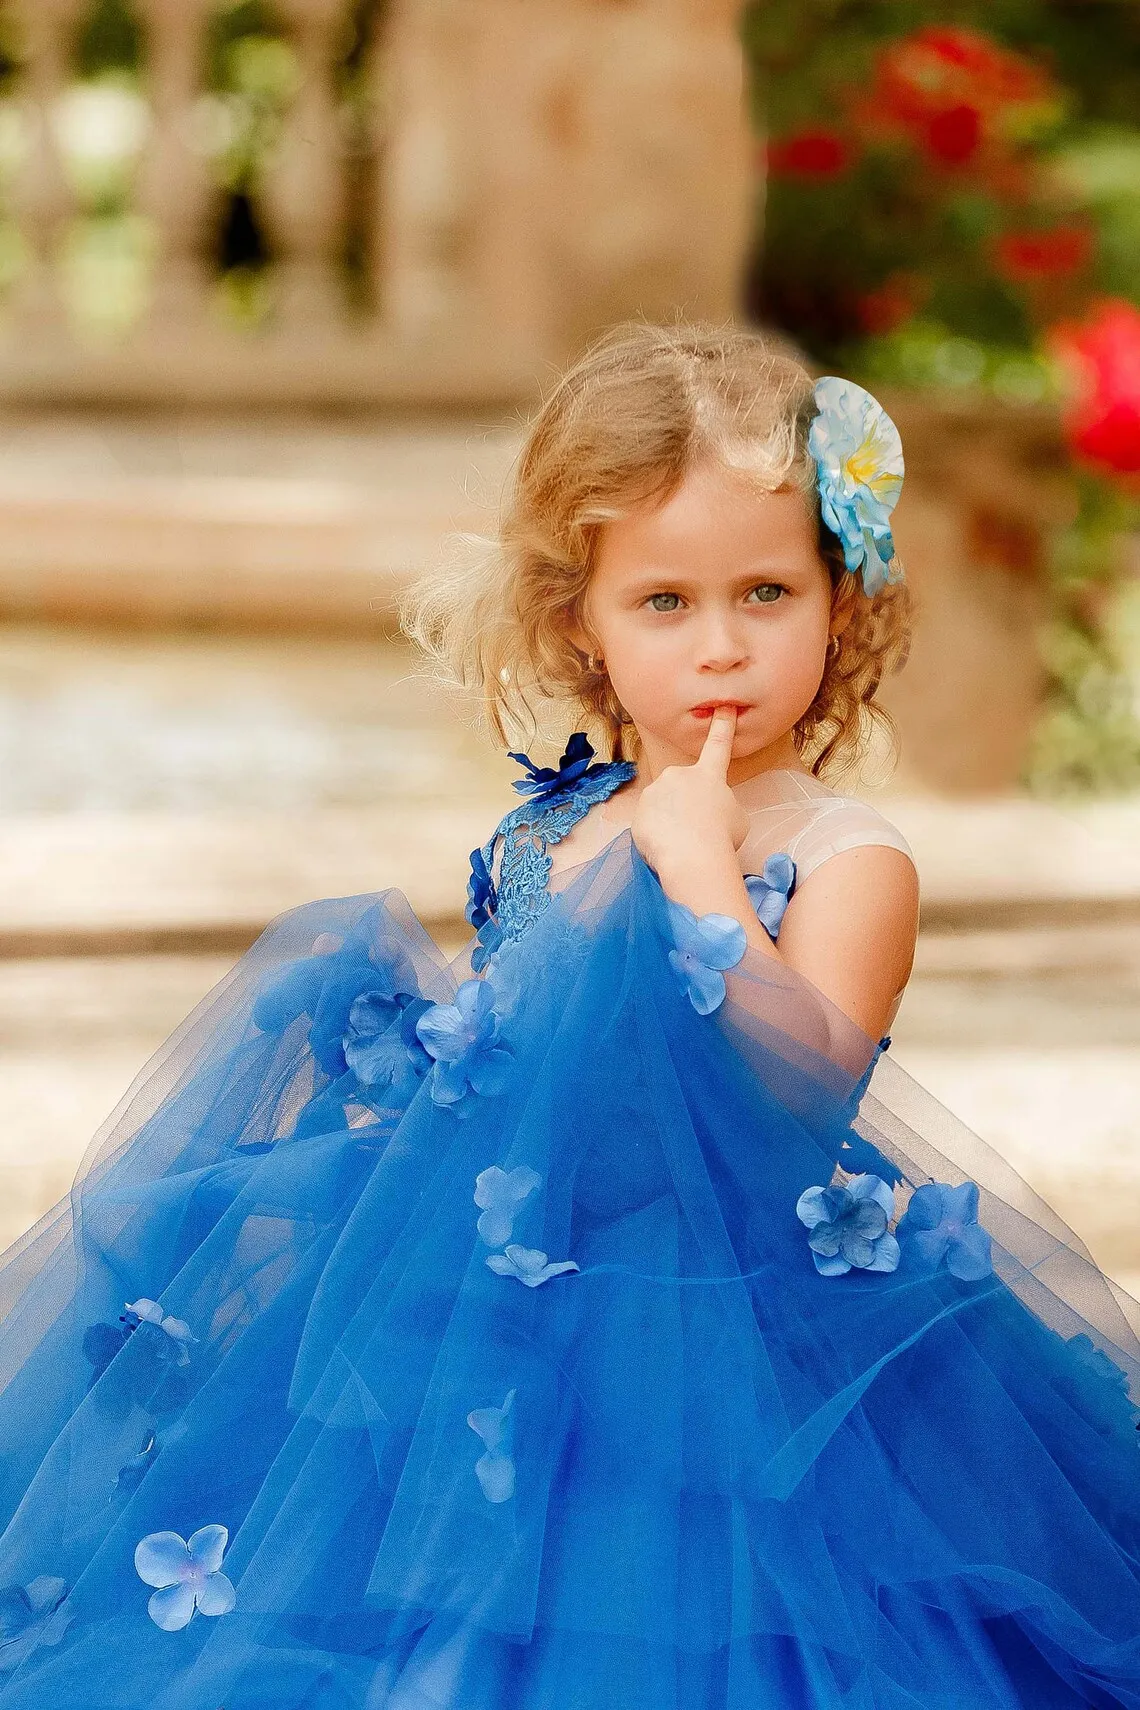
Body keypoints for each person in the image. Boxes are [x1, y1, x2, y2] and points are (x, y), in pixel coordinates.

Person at [0, 321, 1137, 1710]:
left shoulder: (849, 859)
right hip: (494, 1309)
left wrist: (706, 869)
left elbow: (796, 1099)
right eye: (664, 601)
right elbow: (514, 1060)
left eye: (768, 590)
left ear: (842, 599)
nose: (721, 645)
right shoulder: (553, 828)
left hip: (714, 1345)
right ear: (577, 620)